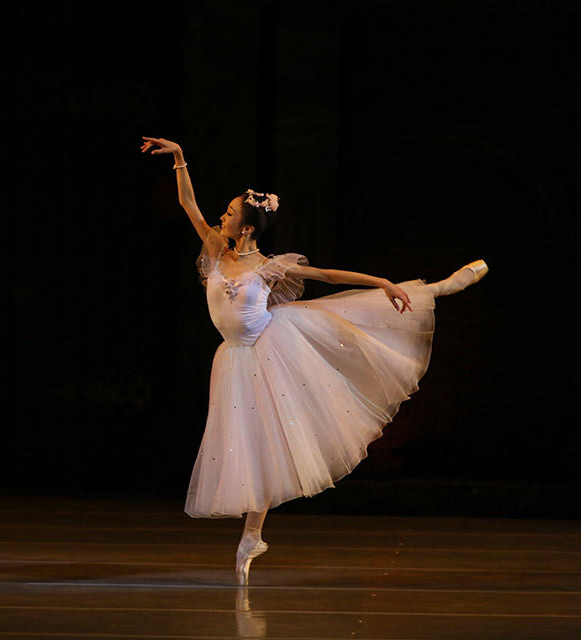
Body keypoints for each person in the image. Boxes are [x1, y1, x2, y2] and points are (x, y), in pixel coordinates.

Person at [140, 136, 487, 585]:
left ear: (246, 228)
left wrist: (380, 279)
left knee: (353, 320)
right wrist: (180, 158)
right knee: (250, 445)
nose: (220, 217)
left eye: (228, 214)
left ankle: (436, 288)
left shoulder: (269, 267)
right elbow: (187, 203)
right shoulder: (213, 248)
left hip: (270, 346)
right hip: (234, 358)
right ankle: (252, 536)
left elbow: (325, 275)